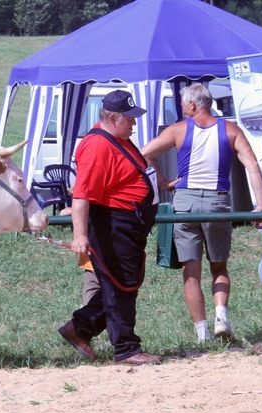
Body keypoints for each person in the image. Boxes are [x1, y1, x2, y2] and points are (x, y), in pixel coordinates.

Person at [142, 83, 262, 343]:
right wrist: (261, 205)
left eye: (182, 104)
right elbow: (252, 165)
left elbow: (143, 154)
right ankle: (221, 317)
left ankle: (202, 333)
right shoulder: (230, 129)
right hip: (217, 203)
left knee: (191, 270)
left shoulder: (178, 129)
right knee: (219, 266)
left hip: (185, 202)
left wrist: (164, 181)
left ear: (192, 105)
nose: (182, 108)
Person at [57, 89, 161, 365]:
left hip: (128, 225)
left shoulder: (118, 139)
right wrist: (80, 235)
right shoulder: (98, 145)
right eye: (129, 118)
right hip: (111, 225)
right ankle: (126, 348)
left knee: (121, 285)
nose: (134, 123)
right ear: (112, 117)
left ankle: (79, 328)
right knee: (119, 288)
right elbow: (82, 194)